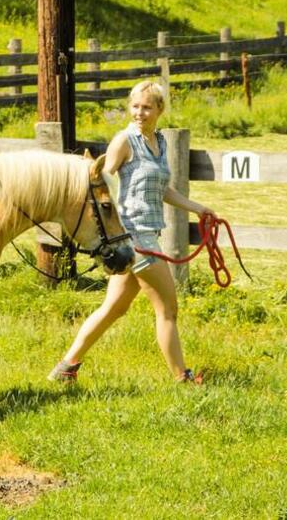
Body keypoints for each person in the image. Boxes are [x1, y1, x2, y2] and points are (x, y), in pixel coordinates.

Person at [48, 80, 214, 384]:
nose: (140, 112)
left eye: (147, 107)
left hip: (148, 234)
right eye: (135, 106)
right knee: (168, 310)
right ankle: (183, 377)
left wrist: (197, 208)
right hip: (133, 237)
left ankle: (66, 367)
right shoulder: (124, 141)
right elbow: (102, 184)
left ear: (160, 109)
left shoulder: (159, 143)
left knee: (114, 308)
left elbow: (163, 189)